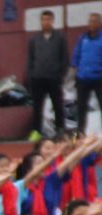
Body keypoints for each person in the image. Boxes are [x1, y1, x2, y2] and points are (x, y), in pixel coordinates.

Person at [26, 9, 68, 140]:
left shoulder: (60, 38)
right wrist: (31, 74)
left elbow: (65, 58)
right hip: (38, 78)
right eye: (43, 20)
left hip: (54, 77)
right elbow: (31, 59)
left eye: (48, 19)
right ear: (40, 21)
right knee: (37, 106)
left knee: (57, 105)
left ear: (52, 21)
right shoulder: (34, 39)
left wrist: (61, 74)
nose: (46, 22)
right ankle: (36, 131)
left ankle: (60, 130)